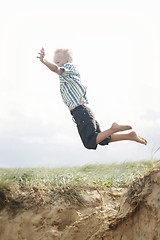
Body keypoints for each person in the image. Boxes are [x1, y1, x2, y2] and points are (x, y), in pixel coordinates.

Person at [37, 47, 147, 150]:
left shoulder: (68, 68)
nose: (56, 64)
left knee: (89, 143)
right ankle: (130, 136)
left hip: (81, 112)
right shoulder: (68, 75)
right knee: (102, 139)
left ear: (66, 62)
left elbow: (55, 69)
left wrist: (43, 61)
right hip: (83, 112)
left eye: (57, 62)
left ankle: (113, 128)